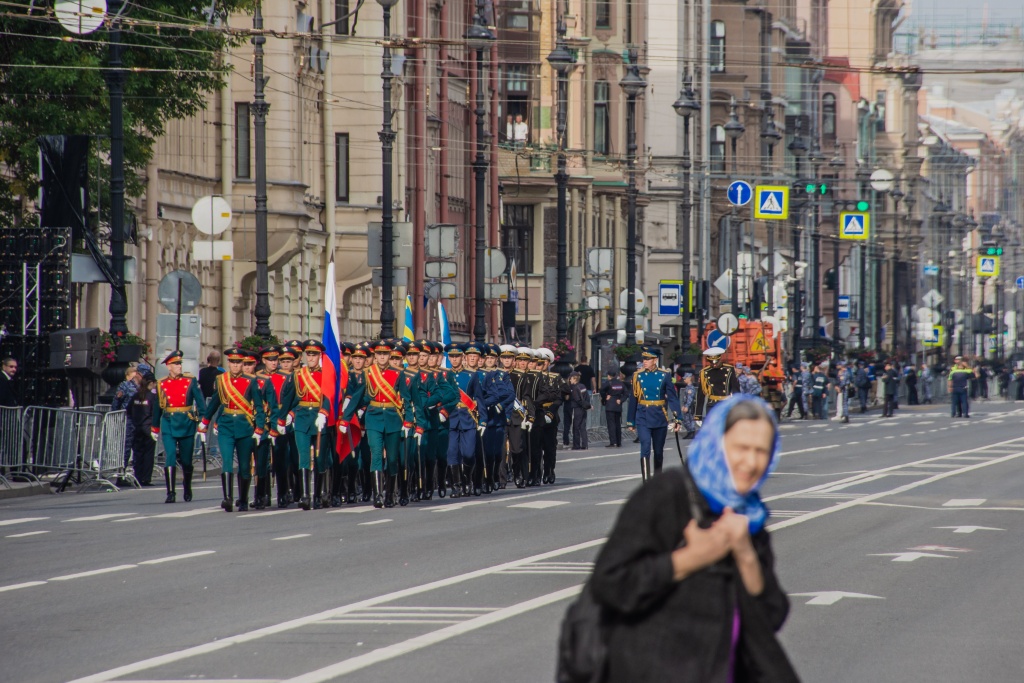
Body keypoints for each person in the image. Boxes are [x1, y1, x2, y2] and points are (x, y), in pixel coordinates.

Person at [589, 395, 797, 683]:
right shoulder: (668, 494)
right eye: (741, 448)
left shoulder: (748, 512)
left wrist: (745, 553)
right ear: (716, 443)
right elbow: (610, 584)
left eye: (762, 451)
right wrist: (691, 558)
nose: (751, 462)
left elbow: (771, 615)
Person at [199, 347, 265, 512]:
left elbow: (258, 406)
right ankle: (227, 497)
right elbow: (215, 402)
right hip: (226, 425)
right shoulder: (221, 380)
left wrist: (259, 428)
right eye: (232, 362)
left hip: (245, 426)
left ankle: (243, 499)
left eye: (238, 362)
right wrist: (204, 422)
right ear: (228, 363)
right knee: (227, 460)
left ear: (242, 363)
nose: (235, 366)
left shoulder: (251, 381)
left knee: (244, 465)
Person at [151, 351, 206, 503]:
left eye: (180, 363)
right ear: (168, 366)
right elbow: (157, 407)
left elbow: (200, 403)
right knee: (170, 456)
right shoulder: (161, 383)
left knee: (187, 460)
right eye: (176, 364)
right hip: (168, 422)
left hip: (186, 422)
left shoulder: (190, 381)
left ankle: (187, 487)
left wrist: (203, 422)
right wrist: (155, 427)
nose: (179, 366)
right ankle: (171, 492)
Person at [632, 346, 684, 480]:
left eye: (648, 359)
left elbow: (672, 397)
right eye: (644, 358)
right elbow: (634, 398)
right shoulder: (638, 375)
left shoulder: (664, 375)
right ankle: (646, 482)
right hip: (643, 414)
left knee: (659, 451)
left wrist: (678, 418)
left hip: (659, 415)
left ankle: (657, 479)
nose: (645, 361)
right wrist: (630, 420)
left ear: (655, 360)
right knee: (645, 447)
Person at [110, 366, 141, 479]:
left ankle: (138, 473)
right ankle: (121, 475)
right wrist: (115, 414)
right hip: (127, 419)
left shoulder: (140, 386)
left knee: (137, 448)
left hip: (138, 419)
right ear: (127, 376)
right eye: (131, 376)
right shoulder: (124, 386)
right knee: (125, 448)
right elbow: (116, 401)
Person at [128, 369, 157, 486]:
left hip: (137, 427)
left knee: (138, 453)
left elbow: (128, 410)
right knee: (148, 454)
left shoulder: (136, 396)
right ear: (151, 383)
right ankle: (146, 478)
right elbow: (155, 412)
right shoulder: (152, 397)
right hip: (149, 428)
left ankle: (138, 477)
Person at [694, 347, 740, 420]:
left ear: (720, 359)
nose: (714, 364)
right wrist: (698, 414)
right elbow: (701, 394)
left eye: (716, 362)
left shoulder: (729, 369)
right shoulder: (705, 372)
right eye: (711, 362)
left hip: (726, 404)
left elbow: (735, 389)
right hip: (712, 405)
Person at [600, 369, 626, 447]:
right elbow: (626, 393)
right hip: (618, 404)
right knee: (617, 424)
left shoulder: (608, 383)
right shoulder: (621, 383)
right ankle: (619, 442)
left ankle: (613, 442)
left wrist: (605, 398)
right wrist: (621, 400)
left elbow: (601, 390)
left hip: (610, 404)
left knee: (611, 424)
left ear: (609, 376)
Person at [568, 372, 590, 450]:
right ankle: (585, 444)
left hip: (577, 408)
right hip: (584, 409)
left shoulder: (574, 388)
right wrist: (587, 405)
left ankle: (576, 445)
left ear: (574, 379)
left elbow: (577, 400)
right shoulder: (582, 386)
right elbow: (587, 397)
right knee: (582, 426)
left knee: (576, 427)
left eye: (570, 379)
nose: (570, 380)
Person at [678, 372, 697, 438]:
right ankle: (690, 432)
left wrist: (686, 406)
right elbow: (685, 398)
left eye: (685, 378)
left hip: (690, 407)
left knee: (689, 419)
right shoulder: (687, 387)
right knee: (686, 420)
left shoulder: (690, 388)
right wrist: (683, 405)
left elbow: (690, 398)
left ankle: (692, 432)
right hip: (687, 406)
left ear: (689, 379)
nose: (684, 380)